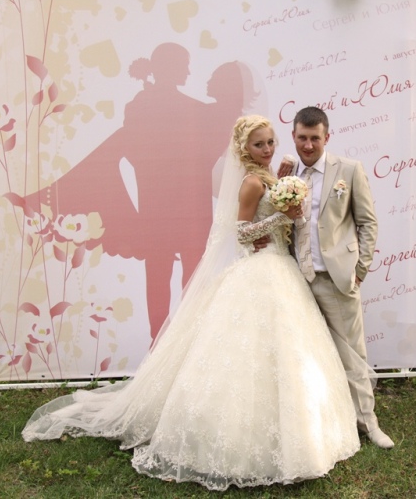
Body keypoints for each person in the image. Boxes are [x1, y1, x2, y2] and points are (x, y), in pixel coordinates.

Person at [22, 115, 361, 491]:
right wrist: (280, 214)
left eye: (270, 142)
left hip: (282, 268)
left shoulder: (269, 177)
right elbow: (241, 233)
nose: (266, 149)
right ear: (243, 149)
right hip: (262, 269)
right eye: (258, 144)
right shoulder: (251, 182)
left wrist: (284, 198)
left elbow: (278, 221)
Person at [26, 44, 258, 342]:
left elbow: (136, 152)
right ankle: (188, 340)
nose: (189, 71)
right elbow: (218, 127)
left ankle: (157, 341)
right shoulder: (193, 110)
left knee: (158, 274)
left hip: (156, 207)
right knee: (190, 275)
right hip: (188, 209)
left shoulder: (140, 106)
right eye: (184, 65)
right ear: (171, 68)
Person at [284, 106, 394, 449]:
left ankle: (368, 423)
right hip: (295, 280)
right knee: (305, 354)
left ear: (326, 137)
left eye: (314, 138)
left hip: (335, 278)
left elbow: (367, 222)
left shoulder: (348, 169)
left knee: (352, 355)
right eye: (302, 137)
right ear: (293, 136)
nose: (308, 145)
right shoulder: (286, 175)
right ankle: (319, 422)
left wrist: (359, 270)